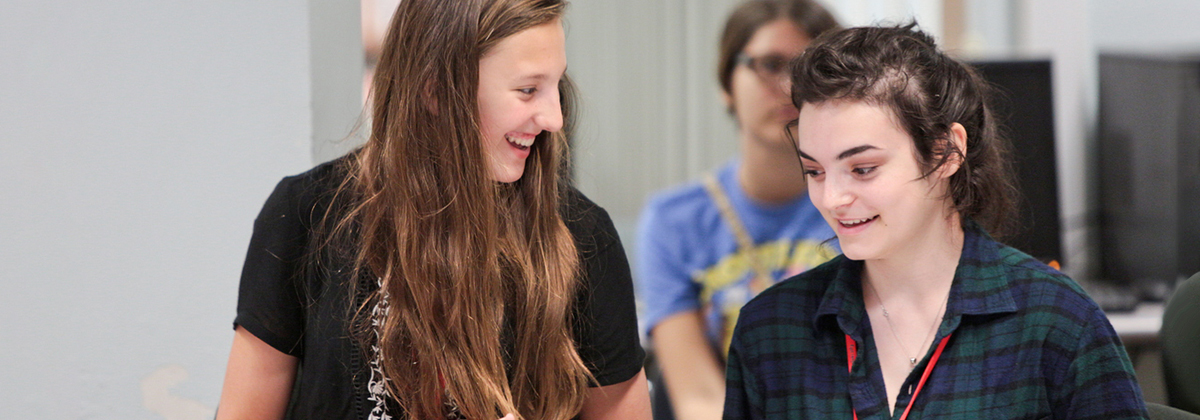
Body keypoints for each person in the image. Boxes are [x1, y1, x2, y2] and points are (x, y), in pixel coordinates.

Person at [215, 1, 650, 420]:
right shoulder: (306, 215)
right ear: (435, 90)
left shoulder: (581, 235)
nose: (554, 118)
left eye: (557, 85)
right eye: (528, 90)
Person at [723, 24, 1149, 420]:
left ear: (947, 152)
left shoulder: (1056, 322)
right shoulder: (770, 331)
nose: (831, 198)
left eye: (863, 169)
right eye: (815, 171)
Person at [635, 1, 840, 419]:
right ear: (726, 83)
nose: (787, 86)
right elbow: (698, 398)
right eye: (769, 64)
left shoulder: (859, 204)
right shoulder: (675, 222)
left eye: (807, 68)